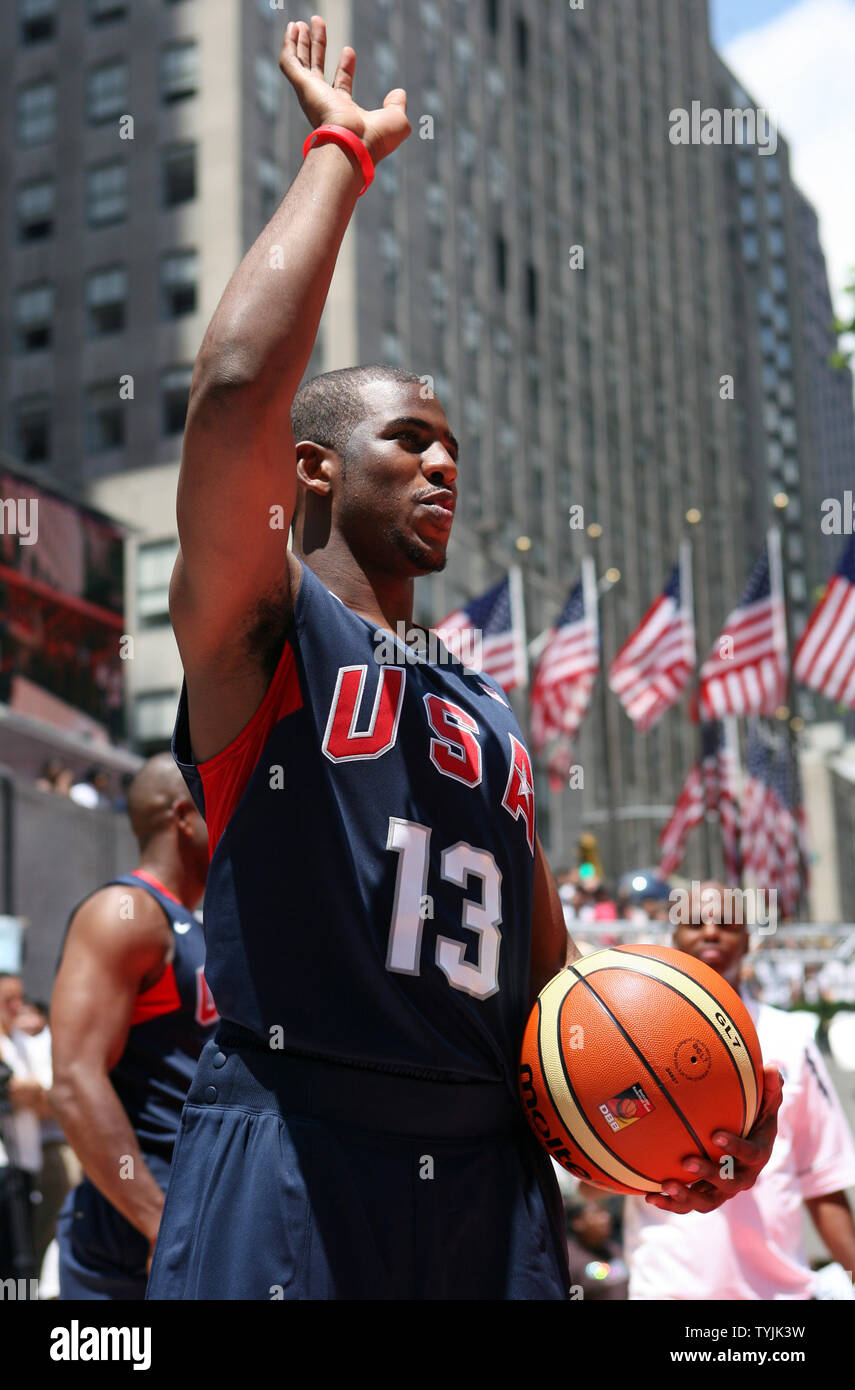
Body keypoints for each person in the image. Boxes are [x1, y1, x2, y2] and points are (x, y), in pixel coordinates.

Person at [145, 17, 781, 1301]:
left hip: (486, 1172)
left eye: (452, 448)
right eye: (410, 438)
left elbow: (552, 979)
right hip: (294, 1144)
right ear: (315, 469)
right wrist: (341, 148)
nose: (445, 463)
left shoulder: (484, 706)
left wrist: (675, 1110)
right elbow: (231, 392)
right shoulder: (261, 630)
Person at [625, 881, 855, 1300]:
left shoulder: (790, 1037)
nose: (711, 931)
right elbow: (592, 1178)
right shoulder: (628, 1039)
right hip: (667, 1289)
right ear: (672, 937)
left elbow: (823, 1180)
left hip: (777, 1296)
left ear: (748, 939)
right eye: (694, 921)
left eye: (727, 923)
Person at [50, 754, 215, 1299]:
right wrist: (156, 1218)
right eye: (221, 804)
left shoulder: (202, 924)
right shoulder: (127, 912)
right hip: (133, 1231)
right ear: (184, 817)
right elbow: (75, 1083)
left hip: (193, 1216)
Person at [0, 972, 50, 1282]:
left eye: (20, 998)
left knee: (21, 1258)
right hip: (3, 1165)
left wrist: (27, 1093)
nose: (18, 1007)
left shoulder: (28, 1045)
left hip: (26, 1162)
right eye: (8, 1000)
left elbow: (50, 1102)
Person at [564, 1184, 628, 1301]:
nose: (606, 1218)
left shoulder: (615, 1250)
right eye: (597, 1213)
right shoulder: (568, 1259)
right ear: (578, 1222)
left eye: (605, 1212)